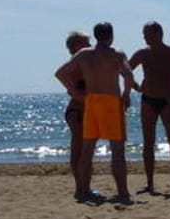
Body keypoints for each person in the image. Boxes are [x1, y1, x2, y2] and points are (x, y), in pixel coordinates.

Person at [55, 21, 136, 204]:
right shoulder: (117, 54)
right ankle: (122, 191)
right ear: (111, 37)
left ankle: (83, 190)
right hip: (111, 102)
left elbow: (60, 73)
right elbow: (128, 75)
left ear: (96, 36)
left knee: (87, 150)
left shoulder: (84, 54)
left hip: (92, 102)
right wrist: (126, 95)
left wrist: (74, 92)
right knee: (117, 150)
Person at [126, 20, 170, 195]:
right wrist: (136, 87)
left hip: (168, 100)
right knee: (148, 142)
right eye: (144, 34)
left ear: (158, 34)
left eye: (147, 34)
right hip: (148, 100)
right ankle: (150, 183)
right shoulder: (143, 53)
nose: (144, 37)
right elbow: (126, 70)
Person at [58, 31, 92, 200]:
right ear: (76, 46)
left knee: (86, 150)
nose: (90, 46)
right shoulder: (74, 64)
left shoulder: (85, 62)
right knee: (78, 149)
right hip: (76, 111)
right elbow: (61, 76)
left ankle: (85, 187)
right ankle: (80, 188)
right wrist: (76, 93)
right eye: (86, 43)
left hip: (86, 110)